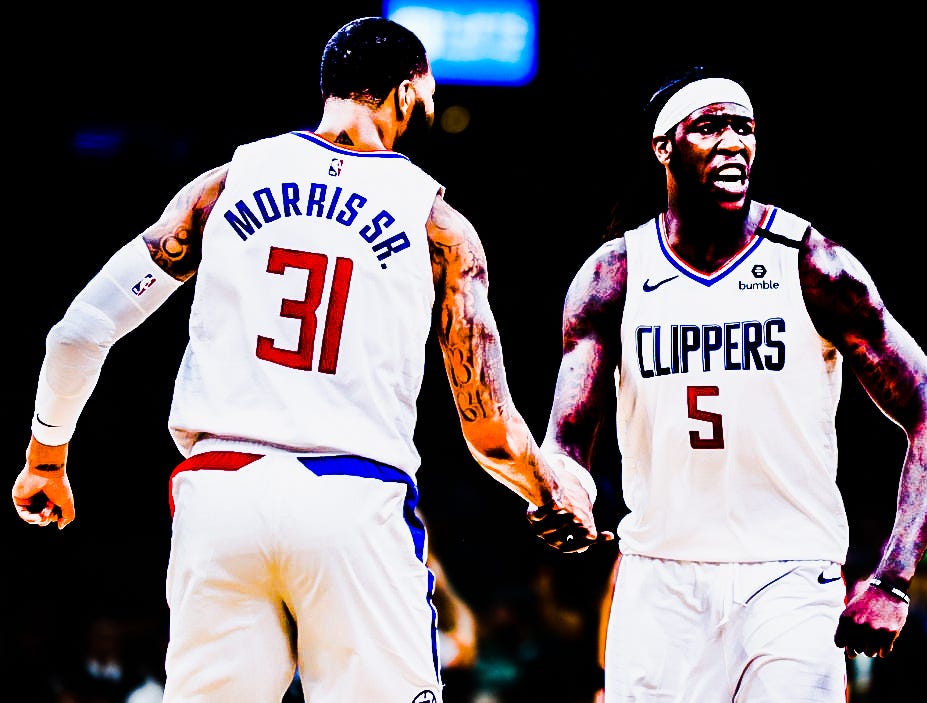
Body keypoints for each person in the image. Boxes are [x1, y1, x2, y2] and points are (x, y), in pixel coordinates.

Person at [12, 16, 608, 703]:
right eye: (428, 96)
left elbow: (78, 334)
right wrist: (548, 491)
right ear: (406, 92)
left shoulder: (224, 184)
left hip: (220, 495)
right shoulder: (438, 224)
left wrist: (46, 457)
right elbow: (488, 427)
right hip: (351, 499)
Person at [527, 65, 927, 702]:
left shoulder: (811, 264)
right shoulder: (615, 274)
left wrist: (893, 579)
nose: (734, 142)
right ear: (664, 147)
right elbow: (567, 441)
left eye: (745, 128)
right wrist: (564, 489)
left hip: (790, 578)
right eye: (710, 128)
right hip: (660, 579)